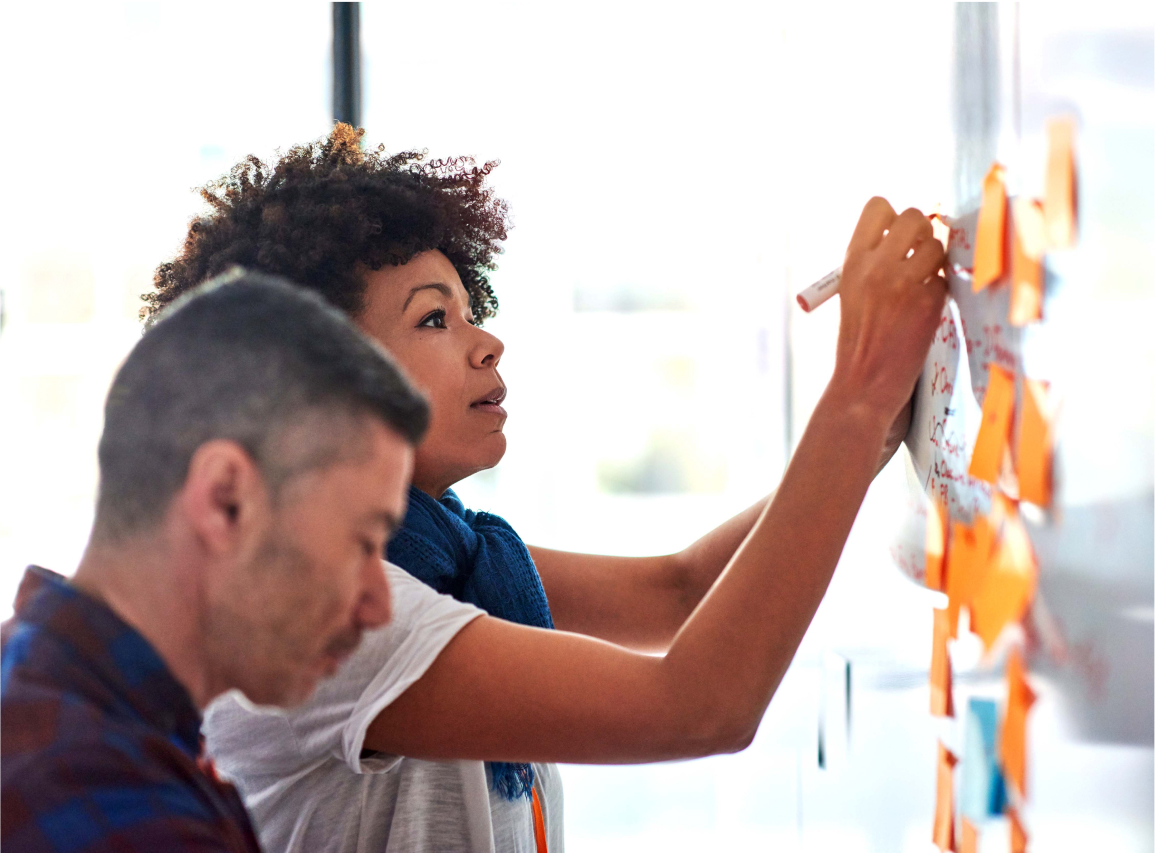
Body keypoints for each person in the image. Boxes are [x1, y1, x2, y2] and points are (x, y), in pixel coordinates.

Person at [149, 125, 946, 853]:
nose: (487, 341)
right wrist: (856, 389)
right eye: (435, 320)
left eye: (471, 311)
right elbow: (698, 705)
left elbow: (679, 591)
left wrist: (870, 432)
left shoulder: (446, 558)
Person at [0, 270, 448, 852]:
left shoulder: (75, 704)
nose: (378, 606)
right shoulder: (113, 803)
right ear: (226, 500)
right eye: (362, 543)